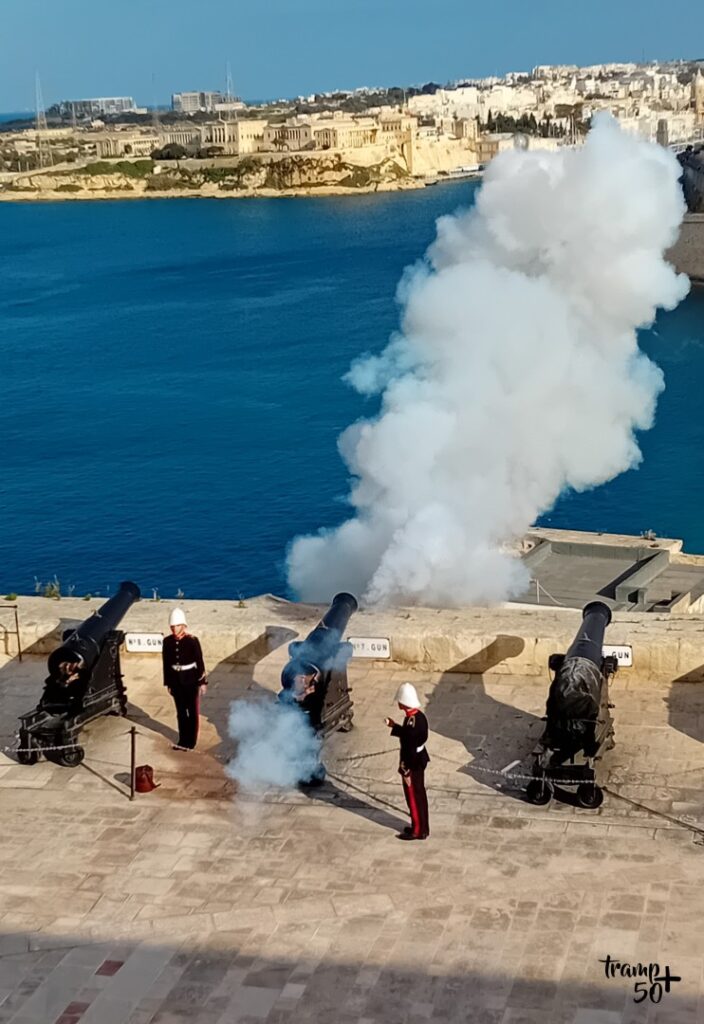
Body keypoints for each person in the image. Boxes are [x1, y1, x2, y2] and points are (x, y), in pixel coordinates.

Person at [385, 682, 430, 840]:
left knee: (413, 797)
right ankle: (423, 827)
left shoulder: (412, 723)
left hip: (412, 763)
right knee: (420, 796)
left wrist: (405, 770)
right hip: (420, 759)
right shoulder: (418, 717)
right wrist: (394, 726)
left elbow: (408, 748)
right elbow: (408, 735)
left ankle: (417, 831)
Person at [162, 608, 207, 751]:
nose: (174, 629)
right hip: (176, 681)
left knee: (192, 712)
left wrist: (202, 682)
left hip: (190, 680)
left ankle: (191, 742)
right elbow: (166, 663)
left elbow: (199, 662)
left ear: (183, 626)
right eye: (172, 626)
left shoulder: (192, 641)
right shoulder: (167, 642)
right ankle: (183, 739)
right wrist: (168, 683)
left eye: (177, 626)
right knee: (180, 712)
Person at [279, 660, 326, 786]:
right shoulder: (286, 698)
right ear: (300, 679)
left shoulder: (314, 697)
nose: (312, 686)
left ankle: (309, 771)